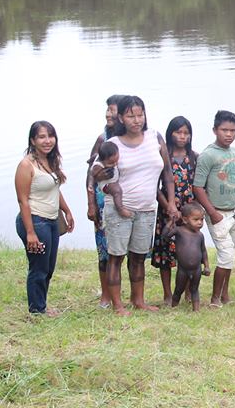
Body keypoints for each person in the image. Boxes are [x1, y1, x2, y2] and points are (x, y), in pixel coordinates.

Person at [107, 95, 176, 315]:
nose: (137, 120)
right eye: (130, 116)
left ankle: (138, 300)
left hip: (147, 209)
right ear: (120, 117)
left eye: (140, 114)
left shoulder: (154, 137)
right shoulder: (112, 144)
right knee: (116, 257)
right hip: (121, 209)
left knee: (138, 257)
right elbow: (100, 178)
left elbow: (167, 174)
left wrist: (171, 202)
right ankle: (117, 305)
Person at [14, 121, 75, 315]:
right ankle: (37, 311)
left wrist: (66, 210)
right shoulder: (26, 165)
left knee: (48, 268)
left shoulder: (50, 160)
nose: (47, 141)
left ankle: (41, 305)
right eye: (41, 137)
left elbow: (54, 189)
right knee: (38, 269)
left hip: (51, 221)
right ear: (32, 140)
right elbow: (23, 201)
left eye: (50, 136)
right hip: (35, 220)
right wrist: (30, 232)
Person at [194, 110, 235, 308]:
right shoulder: (208, 155)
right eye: (224, 130)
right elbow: (198, 186)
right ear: (215, 130)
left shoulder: (234, 152)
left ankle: (225, 294)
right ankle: (215, 298)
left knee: (231, 253)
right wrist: (212, 213)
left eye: (233, 130)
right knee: (225, 255)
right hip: (217, 212)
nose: (229, 134)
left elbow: (234, 178)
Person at [150, 116, 197, 305]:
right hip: (166, 210)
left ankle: (186, 291)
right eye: (178, 132)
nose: (182, 136)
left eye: (186, 133)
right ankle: (168, 294)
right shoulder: (163, 157)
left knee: (188, 252)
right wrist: (168, 206)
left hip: (188, 213)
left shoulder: (194, 157)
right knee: (166, 253)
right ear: (170, 133)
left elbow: (198, 185)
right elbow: (155, 185)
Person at [85, 94, 125, 309]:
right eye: (107, 110)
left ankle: (121, 293)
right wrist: (91, 204)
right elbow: (90, 173)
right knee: (104, 250)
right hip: (103, 202)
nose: (108, 114)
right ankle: (106, 296)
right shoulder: (103, 140)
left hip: (127, 199)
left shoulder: (132, 138)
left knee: (123, 250)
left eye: (112, 110)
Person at [164, 202, 211, 311]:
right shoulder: (179, 231)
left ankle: (196, 310)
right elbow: (165, 236)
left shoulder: (200, 235)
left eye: (202, 219)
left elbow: (203, 251)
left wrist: (207, 266)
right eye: (196, 219)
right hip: (183, 269)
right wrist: (171, 222)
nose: (200, 222)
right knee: (178, 289)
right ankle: (174, 307)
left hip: (197, 269)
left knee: (194, 289)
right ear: (185, 220)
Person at [90, 142, 124, 218]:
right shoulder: (98, 165)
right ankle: (120, 208)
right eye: (111, 163)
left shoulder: (111, 157)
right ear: (102, 160)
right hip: (106, 185)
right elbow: (92, 174)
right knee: (117, 191)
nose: (115, 164)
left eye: (116, 161)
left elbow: (94, 157)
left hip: (114, 182)